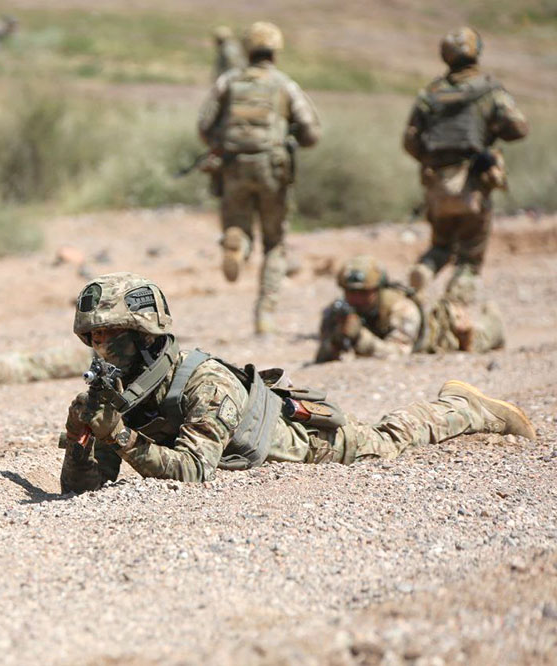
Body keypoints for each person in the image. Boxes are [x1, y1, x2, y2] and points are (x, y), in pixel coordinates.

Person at [58, 272, 534, 492]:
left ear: (146, 337)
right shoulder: (118, 391)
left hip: (312, 445)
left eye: (112, 335)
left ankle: (466, 408)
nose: (102, 347)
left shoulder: (205, 383)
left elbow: (194, 471)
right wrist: (84, 440)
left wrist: (119, 435)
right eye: (95, 336)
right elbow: (85, 487)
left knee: (391, 439)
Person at [197, 21, 321, 334]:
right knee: (275, 244)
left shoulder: (228, 81)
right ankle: (265, 316)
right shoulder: (284, 84)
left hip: (234, 167)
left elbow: (204, 124)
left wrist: (220, 144)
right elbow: (312, 132)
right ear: (276, 50)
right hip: (273, 171)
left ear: (246, 49)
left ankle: (237, 244)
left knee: (237, 224)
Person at [403, 27, 528, 299]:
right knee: (469, 257)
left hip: (437, 185)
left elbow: (410, 141)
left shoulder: (430, 94)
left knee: (440, 246)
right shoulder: (489, 91)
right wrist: (494, 129)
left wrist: (432, 162)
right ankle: (456, 306)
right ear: (477, 52)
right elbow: (519, 128)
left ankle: (424, 271)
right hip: (474, 185)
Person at [314, 255, 504, 363]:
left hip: (441, 335)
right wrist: (338, 336)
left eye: (364, 293)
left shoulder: (401, 308)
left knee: (480, 337)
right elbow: (322, 357)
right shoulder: (339, 312)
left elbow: (397, 354)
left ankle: (493, 317)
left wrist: (359, 337)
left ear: (379, 289)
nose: (356, 298)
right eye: (350, 292)